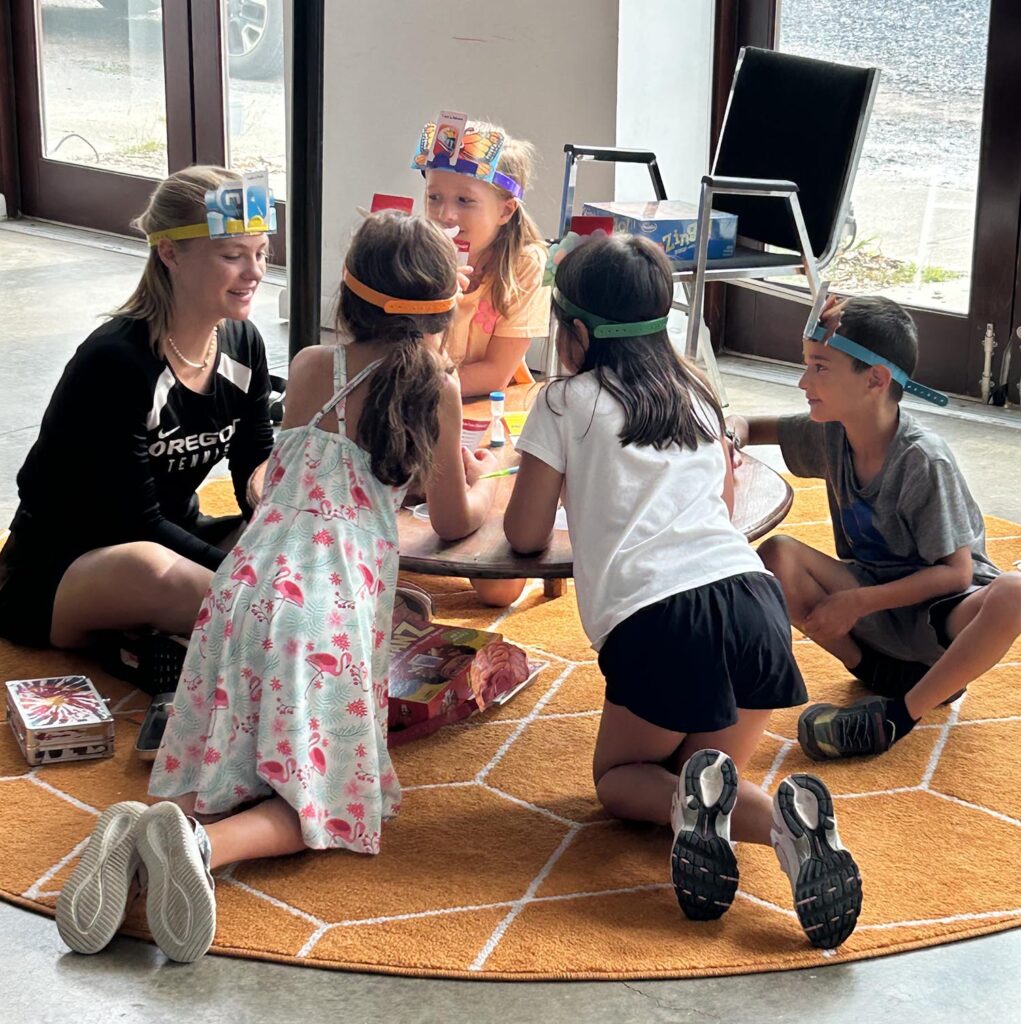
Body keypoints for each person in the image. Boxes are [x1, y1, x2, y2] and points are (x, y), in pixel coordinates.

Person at [54, 211, 501, 962]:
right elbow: (454, 522)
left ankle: (147, 825)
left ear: (349, 297)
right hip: (325, 610)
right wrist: (477, 483)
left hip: (243, 587)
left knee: (226, 755)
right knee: (323, 799)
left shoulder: (308, 368)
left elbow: (298, 474)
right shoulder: (437, 390)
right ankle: (204, 843)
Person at [502, 234, 863, 949]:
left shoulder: (564, 401)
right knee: (704, 776)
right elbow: (725, 506)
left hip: (659, 620)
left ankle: (691, 809)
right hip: (754, 604)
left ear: (574, 332)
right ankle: (793, 835)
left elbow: (523, 534)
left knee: (621, 779)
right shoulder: (697, 392)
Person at [0, 166, 274, 665]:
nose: (255, 273)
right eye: (233, 256)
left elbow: (254, 462)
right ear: (169, 252)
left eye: (260, 254)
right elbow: (135, 522)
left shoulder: (242, 342)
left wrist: (280, 535)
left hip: (177, 533)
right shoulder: (115, 362)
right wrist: (250, 579)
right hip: (70, 565)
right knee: (177, 576)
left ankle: (213, 624)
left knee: (285, 543)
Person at [728, 294, 1021, 760]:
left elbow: (957, 575)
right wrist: (729, 434)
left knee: (1014, 592)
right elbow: (748, 424)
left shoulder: (922, 459)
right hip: (877, 613)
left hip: (947, 617)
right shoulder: (831, 430)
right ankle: (880, 674)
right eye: (806, 365)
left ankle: (899, 715)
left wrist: (856, 602)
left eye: (820, 367)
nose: (804, 382)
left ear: (877, 380)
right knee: (777, 556)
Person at [415, 116, 549, 607]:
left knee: (499, 589)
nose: (445, 213)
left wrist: (428, 387)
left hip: (489, 417)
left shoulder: (529, 264)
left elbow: (495, 372)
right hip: (420, 412)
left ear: (506, 209)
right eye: (434, 197)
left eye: (465, 200)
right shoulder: (413, 253)